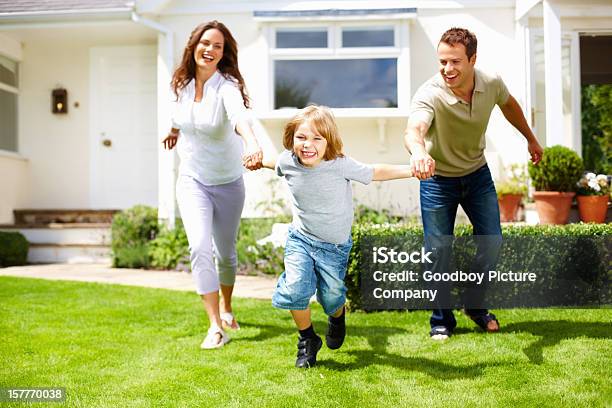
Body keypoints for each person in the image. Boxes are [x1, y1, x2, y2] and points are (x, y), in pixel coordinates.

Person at [404, 27, 543, 340]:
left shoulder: (490, 82)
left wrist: (531, 139)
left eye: (455, 62)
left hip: (477, 175)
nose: (447, 69)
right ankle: (441, 320)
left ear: (472, 60)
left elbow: (509, 105)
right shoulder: (430, 93)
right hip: (438, 180)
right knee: (438, 251)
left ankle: (475, 306)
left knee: (491, 242)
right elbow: (414, 129)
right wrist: (418, 152)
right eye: (442, 62)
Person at [260, 105, 413, 368]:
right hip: (301, 240)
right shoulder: (289, 162)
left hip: (334, 247)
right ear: (291, 137)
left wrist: (412, 170)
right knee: (295, 289)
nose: (308, 145)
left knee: (331, 297)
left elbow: (375, 171)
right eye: (301, 137)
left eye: (317, 138)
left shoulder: (340, 165)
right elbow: (271, 161)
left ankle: (337, 316)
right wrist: (255, 158)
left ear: (329, 140)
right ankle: (308, 339)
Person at [162, 20, 263, 349]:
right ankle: (215, 326)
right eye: (206, 43)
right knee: (200, 247)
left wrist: (251, 143)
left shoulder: (226, 87)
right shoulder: (182, 84)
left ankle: (228, 305)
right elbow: (180, 115)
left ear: (224, 52)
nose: (210, 49)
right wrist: (174, 131)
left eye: (218, 46)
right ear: (194, 46)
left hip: (228, 182)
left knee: (226, 253)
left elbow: (239, 119)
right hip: (192, 179)